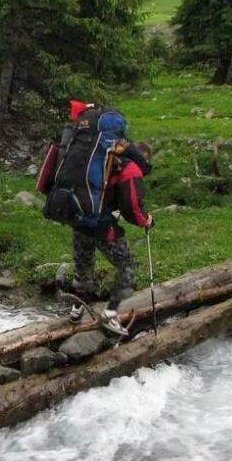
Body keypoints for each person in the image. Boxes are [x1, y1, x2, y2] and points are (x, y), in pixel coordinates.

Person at [67, 105, 154, 336]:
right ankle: (110, 314)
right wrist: (145, 221)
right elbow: (131, 209)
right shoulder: (131, 168)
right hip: (102, 225)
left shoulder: (98, 156)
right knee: (128, 266)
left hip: (79, 216)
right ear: (144, 156)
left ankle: (76, 311)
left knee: (84, 265)